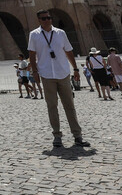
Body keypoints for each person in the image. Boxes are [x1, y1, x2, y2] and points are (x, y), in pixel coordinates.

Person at [28, 9, 89, 148]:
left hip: (63, 72)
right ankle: (57, 135)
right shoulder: (34, 35)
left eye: (49, 18)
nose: (47, 20)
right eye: (44, 18)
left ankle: (77, 135)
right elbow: (32, 54)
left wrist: (75, 68)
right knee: (52, 106)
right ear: (39, 20)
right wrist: (35, 71)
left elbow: (68, 51)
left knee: (69, 105)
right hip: (46, 74)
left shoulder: (61, 33)